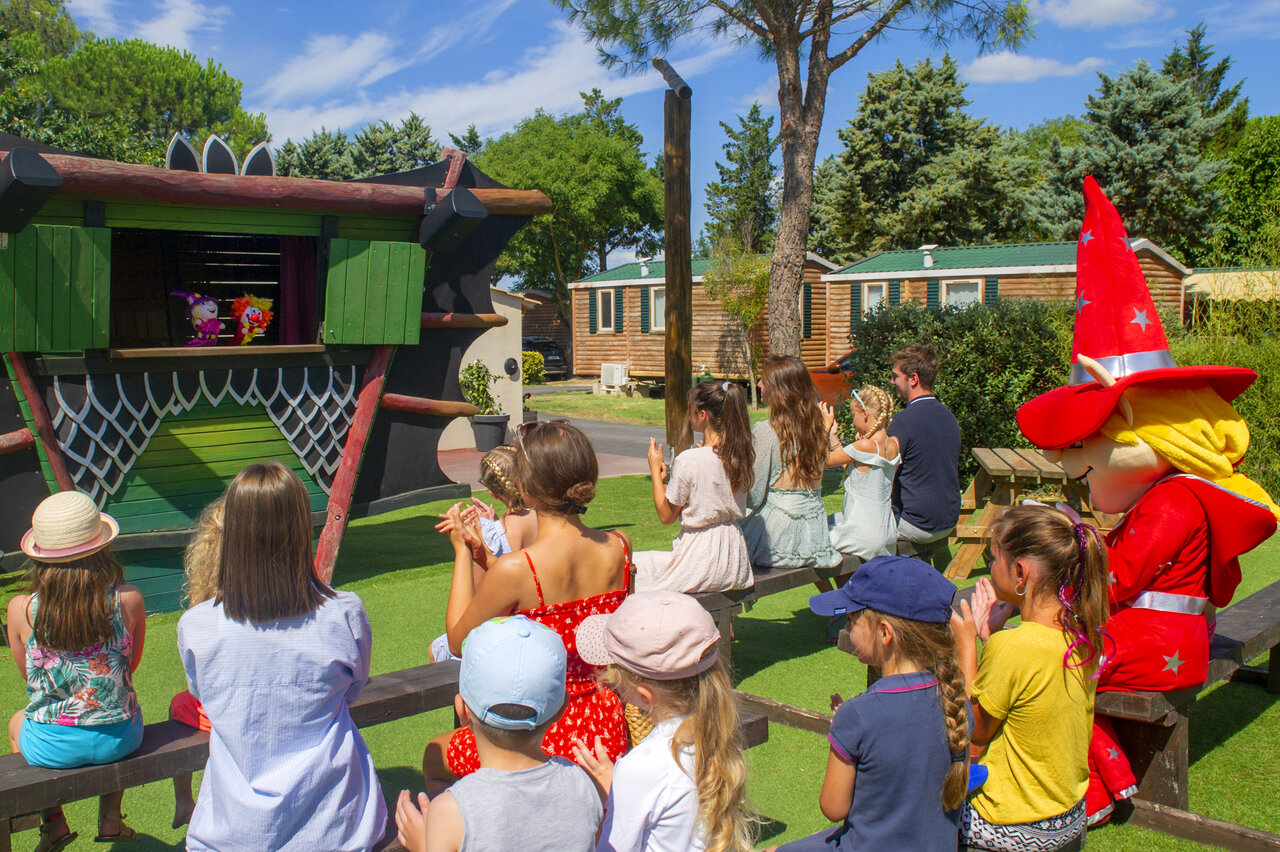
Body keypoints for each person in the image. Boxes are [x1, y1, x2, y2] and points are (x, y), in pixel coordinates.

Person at [177, 461, 386, 852]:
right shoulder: (343, 613)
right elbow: (352, 690)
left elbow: (202, 695)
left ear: (231, 531)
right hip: (336, 829)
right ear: (301, 528)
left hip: (230, 833)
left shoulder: (196, 625)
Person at [424, 421, 632, 784]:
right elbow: (565, 603)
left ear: (525, 488)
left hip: (540, 731)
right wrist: (487, 559)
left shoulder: (518, 568)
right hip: (604, 725)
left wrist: (461, 552)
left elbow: (458, 640)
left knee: (434, 756)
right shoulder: (619, 546)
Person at [766, 556, 969, 852]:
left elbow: (834, 807)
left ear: (885, 633)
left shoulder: (858, 714)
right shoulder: (956, 700)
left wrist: (844, 740)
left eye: (851, 620)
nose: (846, 630)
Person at [951, 505, 1108, 851]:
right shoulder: (1081, 638)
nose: (990, 568)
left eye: (993, 559)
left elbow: (974, 728)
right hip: (1066, 819)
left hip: (1009, 826)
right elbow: (1029, 688)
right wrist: (991, 637)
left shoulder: (1014, 647)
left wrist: (966, 645)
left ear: (1020, 573)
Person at [6, 491, 146, 851]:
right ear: (102, 547)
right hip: (121, 738)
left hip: (52, 746)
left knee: (15, 722)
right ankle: (111, 819)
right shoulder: (128, 599)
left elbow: (30, 676)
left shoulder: (20, 609)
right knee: (121, 705)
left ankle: (53, 822)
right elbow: (130, 665)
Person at [395, 616, 602, 852]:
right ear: (561, 709)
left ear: (462, 710)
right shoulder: (582, 783)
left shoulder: (450, 811)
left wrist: (424, 846)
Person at [572, 590, 753, 852]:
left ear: (645, 697)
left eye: (615, 670)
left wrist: (617, 796)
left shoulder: (640, 768)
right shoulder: (714, 729)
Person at [633, 381, 754, 592]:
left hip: (699, 558)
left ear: (702, 415)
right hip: (733, 558)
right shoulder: (740, 455)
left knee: (631, 565)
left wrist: (654, 471)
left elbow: (666, 516)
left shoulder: (690, 459)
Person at [431, 445, 539, 662]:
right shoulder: (547, 516)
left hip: (508, 633)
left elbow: (478, 599)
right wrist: (494, 525)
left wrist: (472, 542)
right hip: (540, 624)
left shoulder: (495, 535)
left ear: (493, 492)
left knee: (437, 649)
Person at [739, 356, 842, 569]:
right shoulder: (817, 428)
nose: (759, 384)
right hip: (815, 536)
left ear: (780, 389)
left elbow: (754, 496)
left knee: (725, 545)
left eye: (764, 380)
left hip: (779, 538)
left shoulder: (767, 431)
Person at [170, 497, 223, 829]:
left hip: (217, 712)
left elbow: (198, 687)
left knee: (180, 703)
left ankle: (184, 800)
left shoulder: (196, 619)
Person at [887, 344, 960, 564]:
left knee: (855, 527)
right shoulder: (949, 417)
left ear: (913, 379)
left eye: (895, 376)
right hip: (947, 521)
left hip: (916, 524)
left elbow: (882, 473)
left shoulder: (903, 422)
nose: (892, 382)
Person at [822, 385, 900, 560]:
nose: (852, 422)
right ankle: (849, 587)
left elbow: (824, 460)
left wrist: (824, 427)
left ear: (865, 413)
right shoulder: (894, 443)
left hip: (862, 535)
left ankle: (842, 588)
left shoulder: (864, 446)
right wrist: (833, 438)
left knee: (810, 541)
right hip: (886, 532)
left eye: (853, 415)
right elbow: (856, 471)